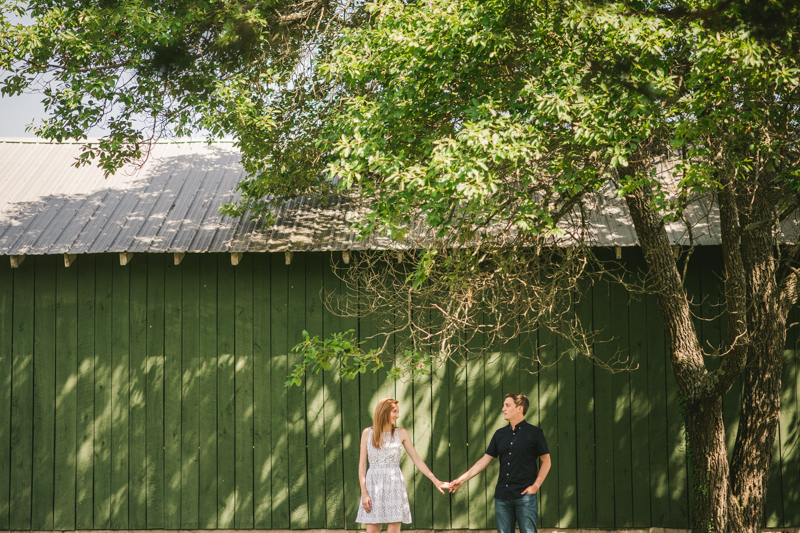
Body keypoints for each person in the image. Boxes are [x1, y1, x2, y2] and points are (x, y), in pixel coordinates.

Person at [448, 393, 551, 533]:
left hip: (525, 497)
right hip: (502, 498)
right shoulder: (499, 434)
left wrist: (535, 486)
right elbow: (484, 460)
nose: (503, 409)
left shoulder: (534, 433)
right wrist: (461, 480)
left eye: (507, 405)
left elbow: (546, 461)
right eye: (503, 405)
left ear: (520, 408)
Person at [356, 398, 449, 533]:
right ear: (383, 412)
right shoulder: (367, 433)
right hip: (373, 486)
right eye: (394, 411)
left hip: (394, 486)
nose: (397, 415)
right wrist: (364, 493)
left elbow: (417, 460)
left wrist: (435, 480)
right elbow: (362, 465)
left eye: (397, 412)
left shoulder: (401, 433)